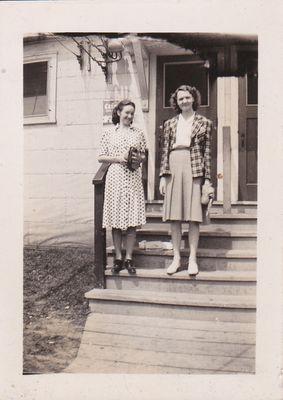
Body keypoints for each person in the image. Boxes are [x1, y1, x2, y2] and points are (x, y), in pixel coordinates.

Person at [159, 85, 213, 276]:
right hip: (174, 167)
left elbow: (207, 154)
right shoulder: (170, 124)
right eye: (180, 99)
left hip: (194, 168)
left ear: (193, 98)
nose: (184, 101)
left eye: (187, 97)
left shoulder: (205, 123)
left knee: (193, 216)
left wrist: (207, 181)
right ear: (177, 102)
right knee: (174, 217)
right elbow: (164, 151)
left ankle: (192, 259)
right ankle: (176, 258)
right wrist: (163, 177)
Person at [98, 99, 147, 274]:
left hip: (132, 177)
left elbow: (143, 155)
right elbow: (101, 156)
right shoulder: (108, 133)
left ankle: (129, 258)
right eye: (126, 112)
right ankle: (118, 258)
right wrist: (120, 158)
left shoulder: (138, 133)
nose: (129, 116)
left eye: (132, 113)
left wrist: (137, 159)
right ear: (118, 112)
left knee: (132, 220)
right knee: (116, 221)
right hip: (116, 177)